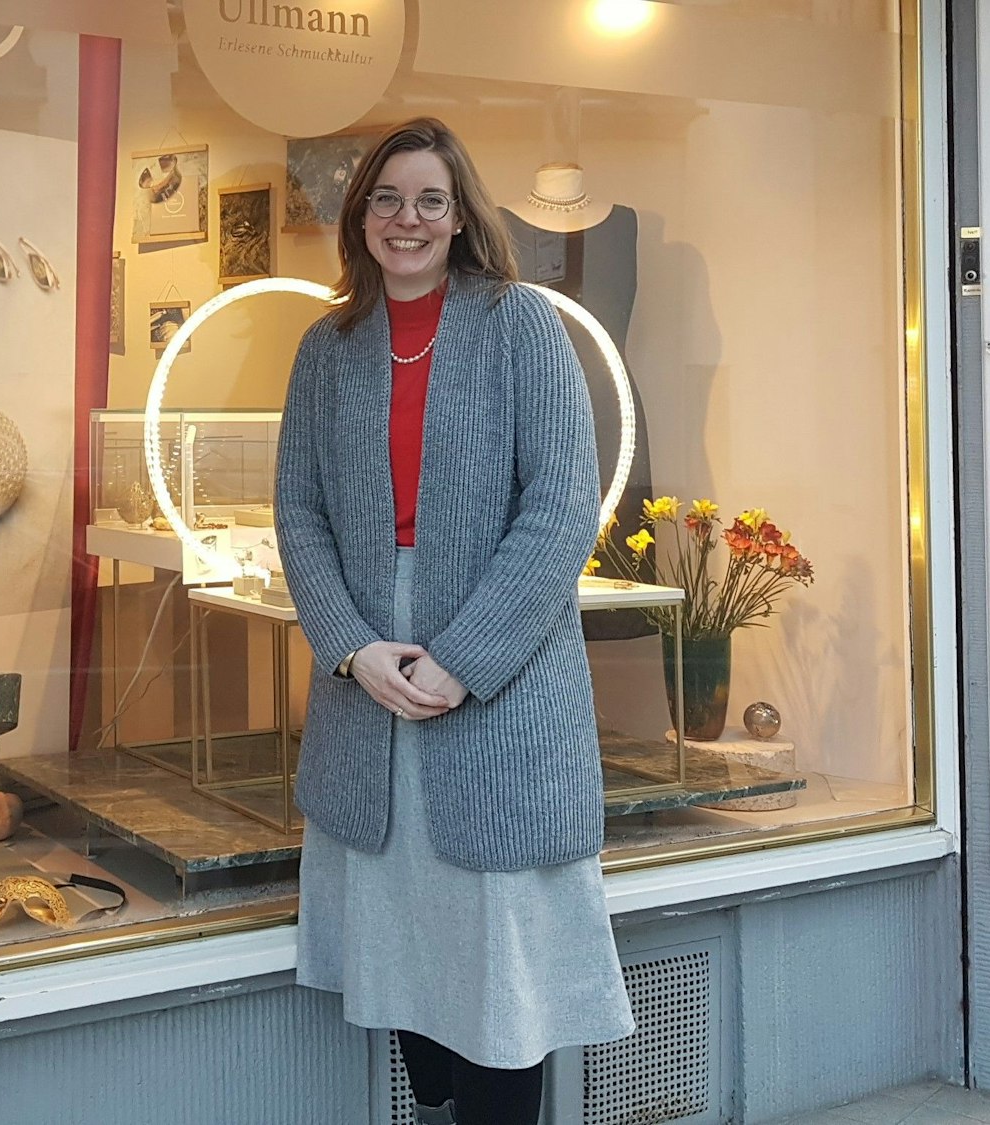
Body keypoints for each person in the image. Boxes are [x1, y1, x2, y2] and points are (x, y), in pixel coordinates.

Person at [275, 118, 635, 1125]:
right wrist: (346, 645)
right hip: (366, 680)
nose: (407, 219)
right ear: (360, 218)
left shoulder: (523, 323)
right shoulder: (325, 346)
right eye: (387, 199)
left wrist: (463, 659)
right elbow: (296, 512)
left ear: (462, 215)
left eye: (430, 200)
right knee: (398, 950)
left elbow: (562, 505)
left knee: (495, 974)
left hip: (498, 679)